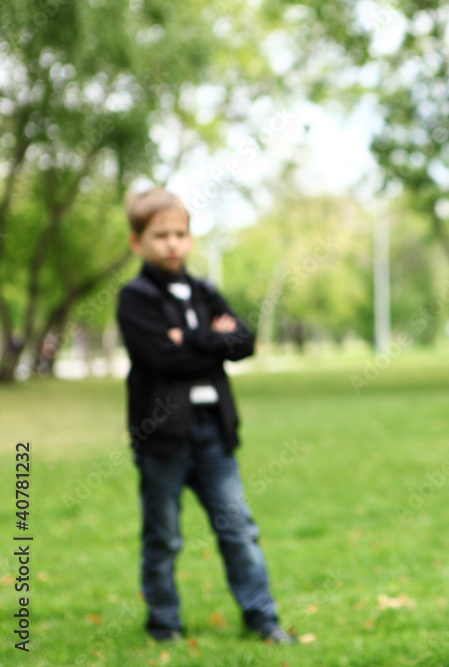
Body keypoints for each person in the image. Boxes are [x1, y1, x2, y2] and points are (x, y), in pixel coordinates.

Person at [117, 187, 297, 645]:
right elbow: (162, 358)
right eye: (160, 235)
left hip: (214, 432)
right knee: (164, 537)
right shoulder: (135, 298)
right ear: (137, 241)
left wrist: (189, 336)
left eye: (180, 233)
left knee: (239, 530)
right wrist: (213, 342)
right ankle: (164, 625)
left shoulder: (205, 291)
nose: (172, 243)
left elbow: (245, 343)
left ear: (191, 238)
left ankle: (263, 619)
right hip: (163, 435)